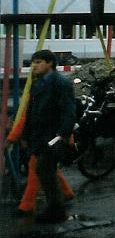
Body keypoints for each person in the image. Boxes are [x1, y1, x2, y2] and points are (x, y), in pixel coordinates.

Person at [21, 49, 77, 223]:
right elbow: (31, 111)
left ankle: (55, 210)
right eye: (33, 62)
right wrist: (26, 134)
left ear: (49, 63)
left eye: (38, 62)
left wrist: (62, 135)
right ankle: (55, 208)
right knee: (45, 171)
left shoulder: (61, 83)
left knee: (44, 170)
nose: (34, 66)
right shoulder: (38, 83)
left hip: (52, 136)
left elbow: (69, 111)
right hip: (39, 136)